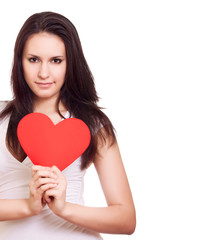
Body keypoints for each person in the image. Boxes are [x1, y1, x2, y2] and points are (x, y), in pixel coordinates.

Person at [0, 11, 136, 239]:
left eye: (56, 60)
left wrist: (63, 208)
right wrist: (28, 206)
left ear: (70, 63)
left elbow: (126, 219)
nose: (44, 73)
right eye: (34, 59)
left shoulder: (93, 124)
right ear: (19, 61)